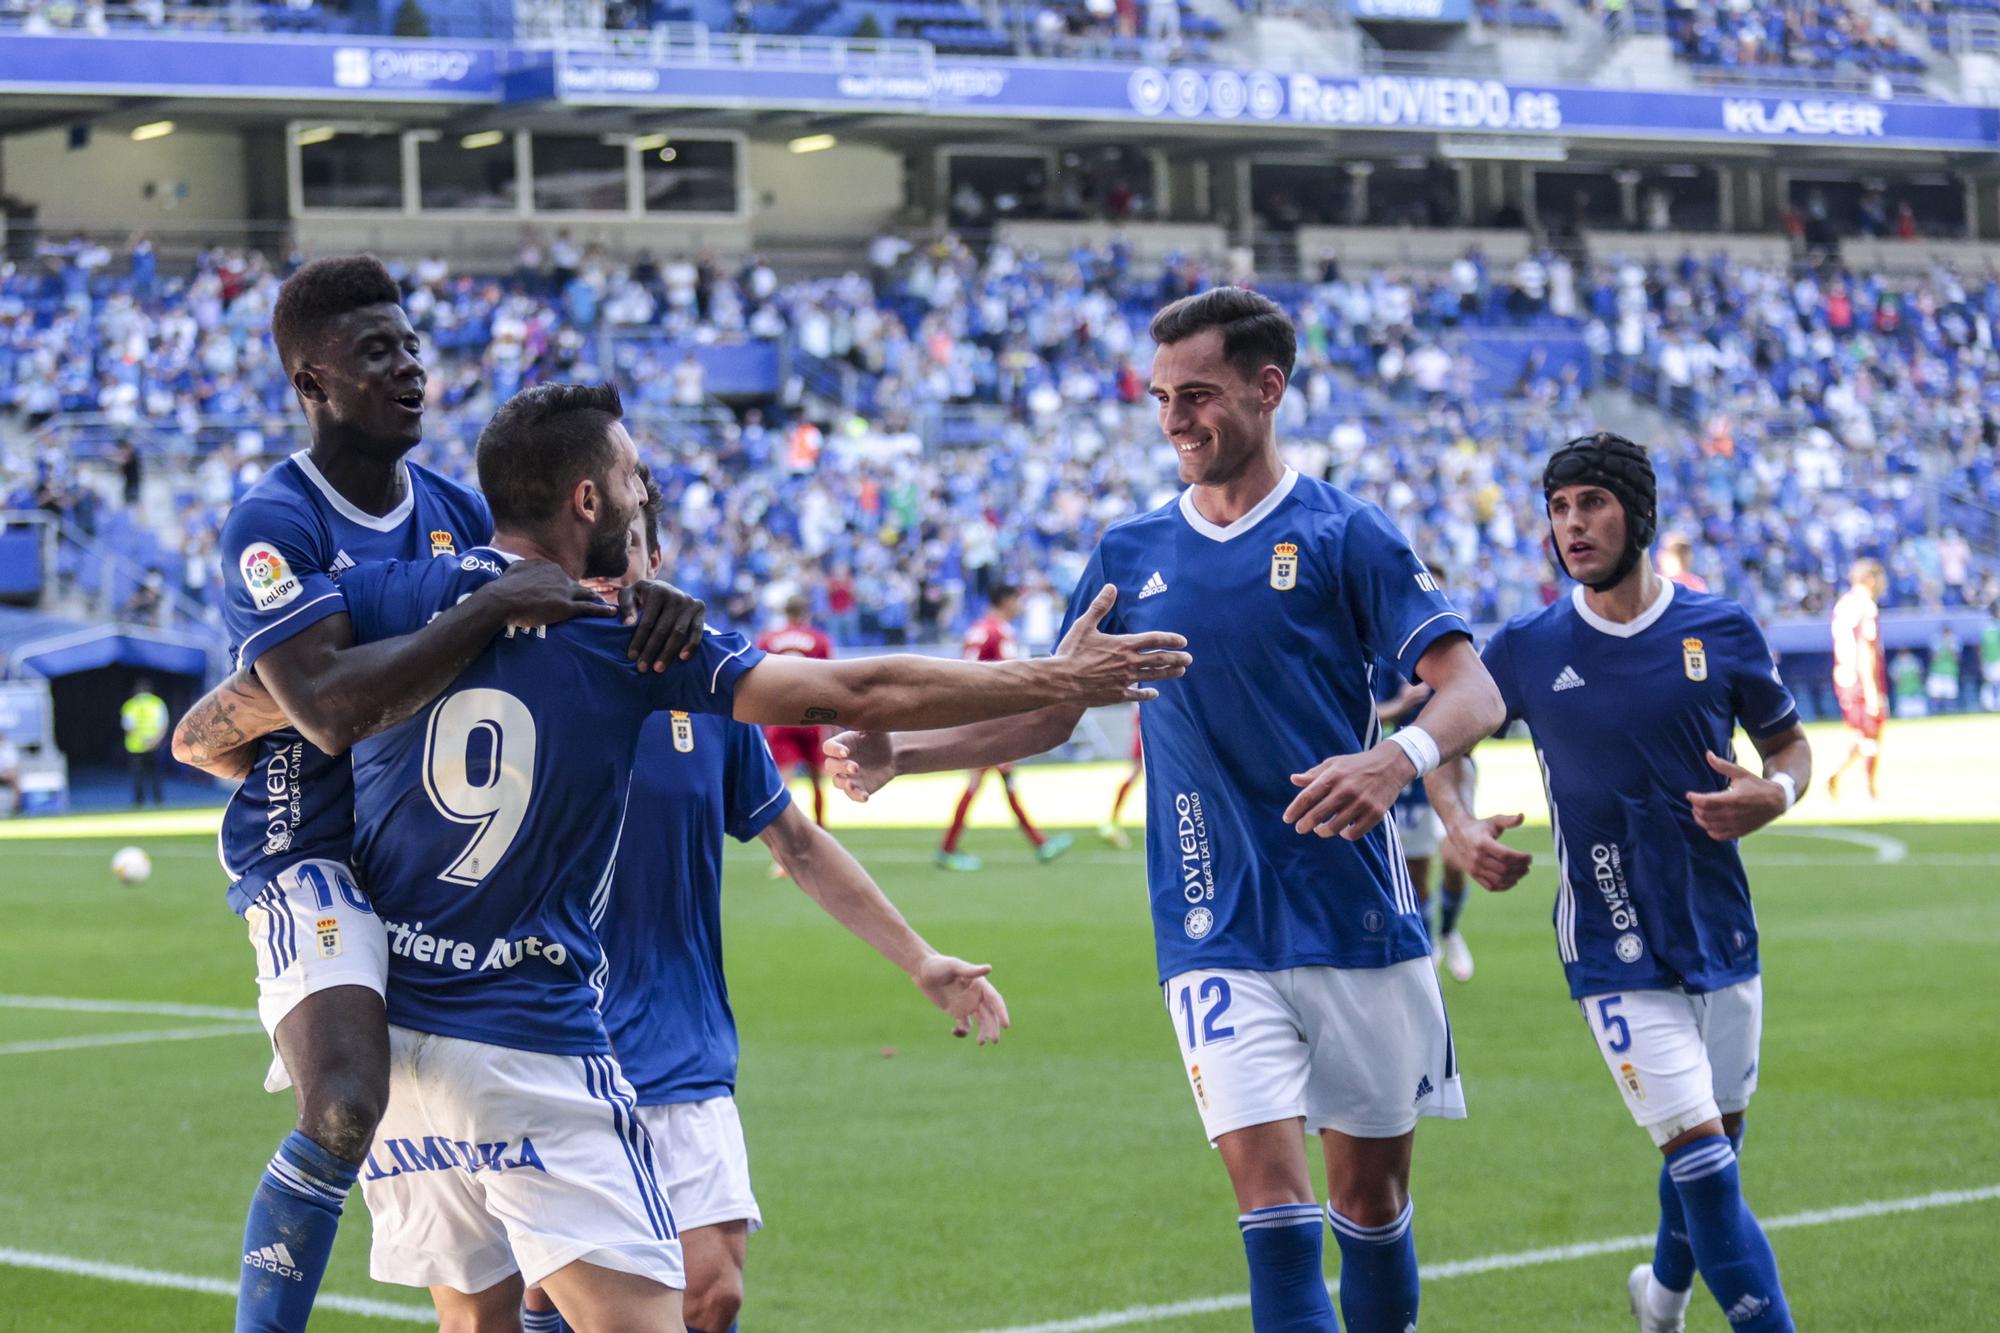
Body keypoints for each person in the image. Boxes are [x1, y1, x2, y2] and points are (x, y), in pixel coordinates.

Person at [202, 381, 1186, 1330]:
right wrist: (1056, 677)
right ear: (587, 497)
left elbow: (230, 726)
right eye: (632, 476)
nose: (644, 493)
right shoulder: (629, 637)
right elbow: (861, 691)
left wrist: (203, 742)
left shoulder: (380, 596)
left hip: (398, 1046)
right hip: (528, 1039)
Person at [828, 288, 1506, 1333]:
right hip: (1209, 928)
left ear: (1265, 388)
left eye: (1197, 395)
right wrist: (902, 754)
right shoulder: (1128, 552)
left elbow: (1472, 689)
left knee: (1368, 1206)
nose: (1174, 419)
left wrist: (1394, 763)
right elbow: (1048, 711)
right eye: (1158, 398)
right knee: (1273, 1215)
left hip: (1354, 922)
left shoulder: (1345, 534)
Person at [166, 256, 710, 1333]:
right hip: (306, 847)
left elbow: (571, 592)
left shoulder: (461, 510)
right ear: (313, 381)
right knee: (345, 1103)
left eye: (412, 344)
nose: (409, 366)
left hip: (415, 860)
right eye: (376, 352)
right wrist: (481, 610)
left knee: (518, 1169)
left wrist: (656, 600)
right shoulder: (271, 523)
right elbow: (322, 709)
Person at [520, 477, 1012, 1333]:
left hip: (681, 1040)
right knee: (558, 1301)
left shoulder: (707, 691)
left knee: (713, 1292)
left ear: (655, 561)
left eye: (625, 549)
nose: (604, 572)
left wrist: (920, 957)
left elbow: (799, 843)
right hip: (550, 1042)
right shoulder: (521, 680)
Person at [1427, 432, 1809, 1333]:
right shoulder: (1527, 646)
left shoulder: (1722, 629)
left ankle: (1661, 1304)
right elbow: (1444, 739)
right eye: (1558, 509)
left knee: (1711, 1156)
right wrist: (1458, 822)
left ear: (1638, 512)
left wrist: (1777, 792)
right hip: (1612, 943)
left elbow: (1787, 745)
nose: (1572, 525)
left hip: (1723, 931)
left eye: (1590, 503)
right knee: (1711, 1179)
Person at [935, 583, 1073, 872]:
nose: (1019, 606)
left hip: (983, 717)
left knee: (1002, 781)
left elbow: (965, 670)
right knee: (982, 782)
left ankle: (1039, 842)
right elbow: (1012, 676)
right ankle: (948, 849)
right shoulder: (1000, 632)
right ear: (1006, 601)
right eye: (1017, 600)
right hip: (993, 721)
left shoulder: (978, 628)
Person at [1375, 631, 1474, 984]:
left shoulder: (1458, 651)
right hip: (1406, 771)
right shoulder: (1387, 657)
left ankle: (1449, 931)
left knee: (1454, 859)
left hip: (1454, 765)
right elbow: (1369, 713)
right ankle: (1430, 941)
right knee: (1416, 868)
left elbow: (1480, 705)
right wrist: (1401, 705)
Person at [754, 593, 835, 828]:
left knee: (782, 786)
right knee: (818, 783)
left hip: (780, 718)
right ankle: (822, 833)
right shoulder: (819, 639)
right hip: (812, 717)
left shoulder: (768, 639)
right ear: (805, 613)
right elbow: (831, 680)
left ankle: (782, 852)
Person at [1827, 558, 1888, 799]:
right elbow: (1866, 650)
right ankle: (1868, 787)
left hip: (1844, 677)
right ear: (1871, 579)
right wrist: (1873, 691)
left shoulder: (1843, 604)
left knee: (1861, 735)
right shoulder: (1866, 606)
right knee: (1871, 732)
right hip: (1861, 680)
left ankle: (1839, 775)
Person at [1098, 703, 1143, 850]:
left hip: (1143, 739)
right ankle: (1112, 822)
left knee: (1135, 779)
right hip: (1147, 741)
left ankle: (1112, 821)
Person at [121, 676, 169, 806]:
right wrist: (154, 741)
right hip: (153, 745)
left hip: (137, 746)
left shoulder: (130, 705)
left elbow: (127, 727)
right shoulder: (157, 703)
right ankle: (158, 801)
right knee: (153, 776)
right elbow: (164, 725)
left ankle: (140, 802)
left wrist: (144, 741)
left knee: (140, 776)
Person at [1925, 625, 1961, 715]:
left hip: (1950, 673)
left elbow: (1957, 659)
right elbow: (1934, 658)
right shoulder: (1936, 641)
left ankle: (1951, 715)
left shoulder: (1955, 642)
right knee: (1935, 696)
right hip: (1937, 673)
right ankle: (1934, 715)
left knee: (1950, 697)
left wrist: (1950, 648)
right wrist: (1942, 648)